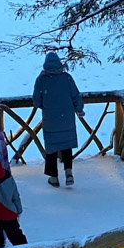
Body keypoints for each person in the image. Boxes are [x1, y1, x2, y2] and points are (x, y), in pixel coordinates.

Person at [32, 52, 84, 187]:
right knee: (66, 145)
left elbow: (36, 101)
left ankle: (53, 177)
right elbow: (76, 95)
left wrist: (46, 105)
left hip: (50, 119)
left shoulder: (41, 80)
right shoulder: (67, 78)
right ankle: (68, 171)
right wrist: (79, 108)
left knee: (51, 148)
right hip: (66, 118)